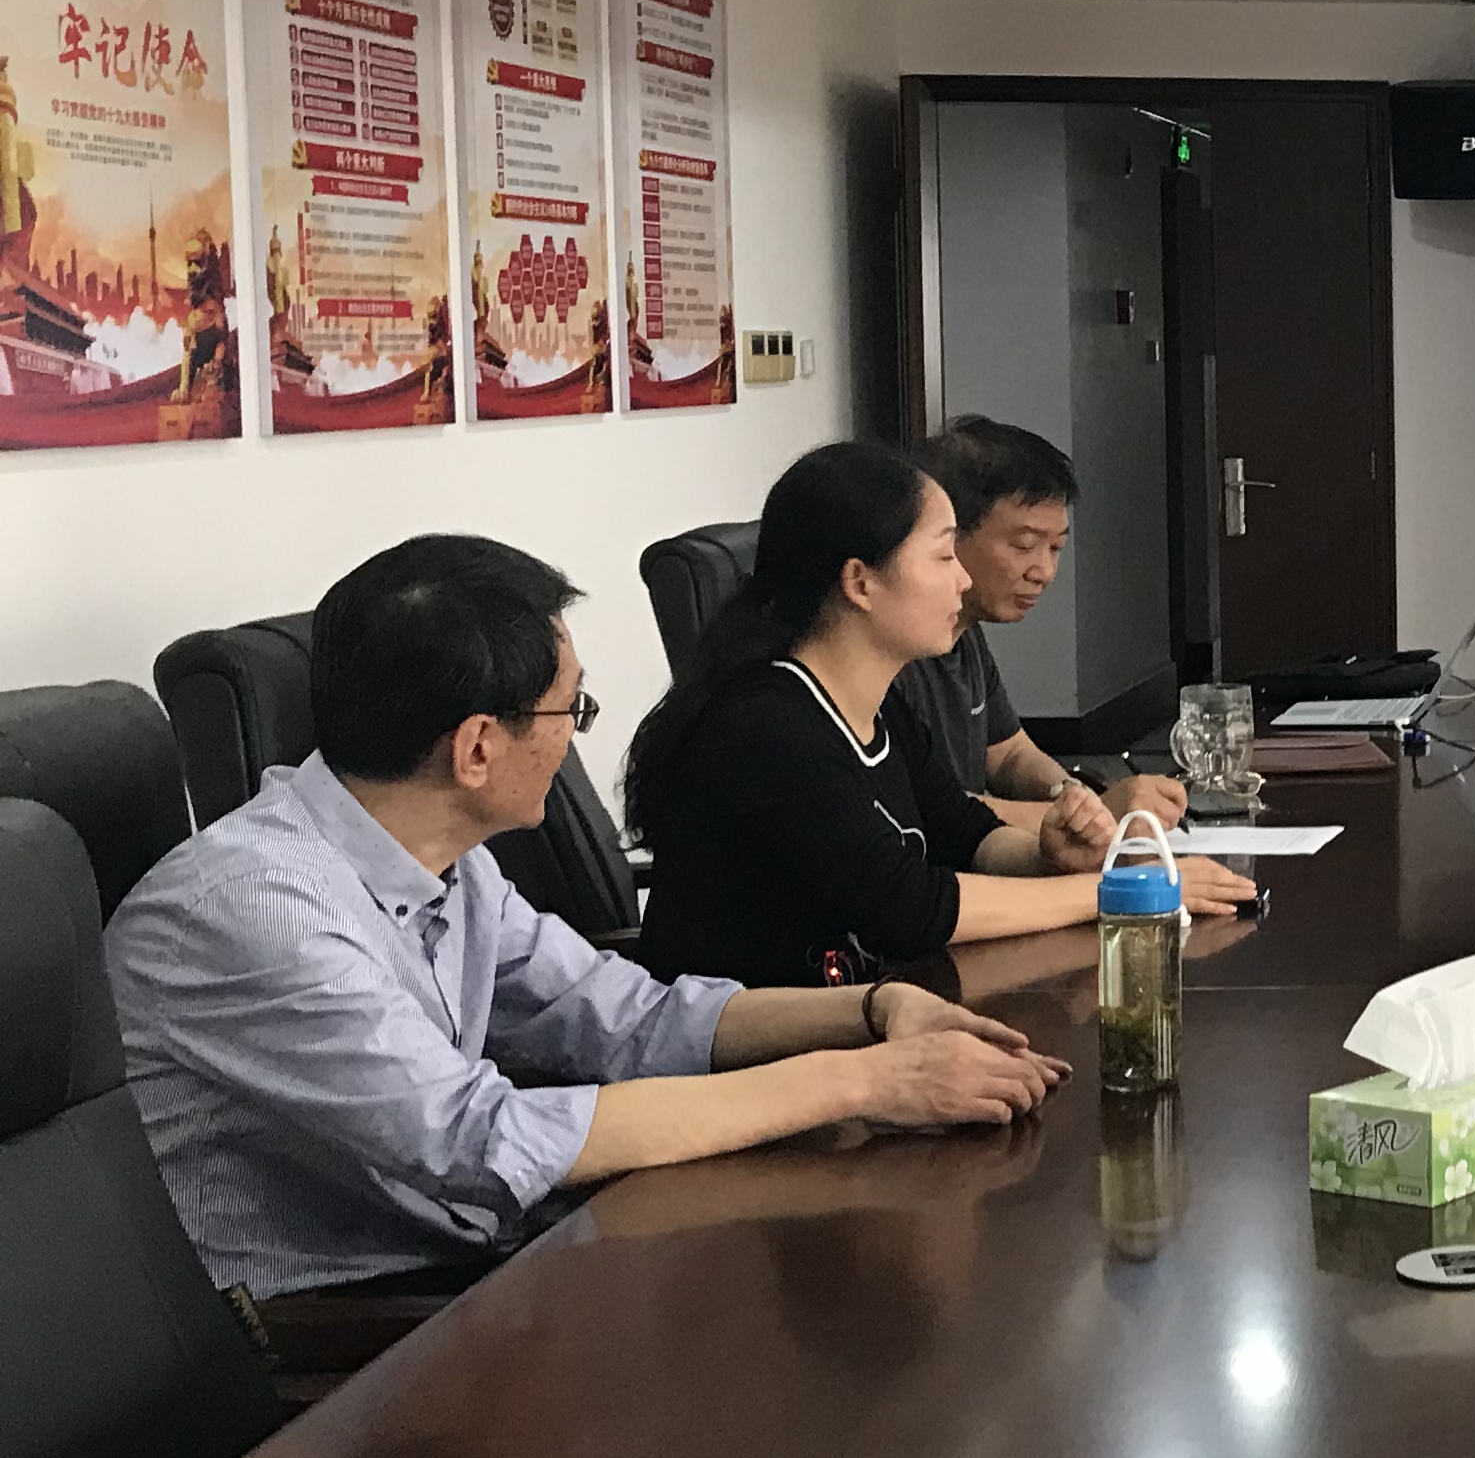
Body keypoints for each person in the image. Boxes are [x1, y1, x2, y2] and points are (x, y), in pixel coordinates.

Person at [106, 535, 1075, 1303]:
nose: (576, 735)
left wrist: (871, 1014)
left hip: (471, 1265)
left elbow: (624, 1017)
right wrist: (862, 1081)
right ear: (477, 748)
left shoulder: (447, 865)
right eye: (572, 712)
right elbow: (477, 1141)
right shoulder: (256, 910)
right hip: (338, 1325)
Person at [629, 441, 1249, 992]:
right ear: (860, 583)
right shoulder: (771, 726)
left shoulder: (880, 709)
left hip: (865, 1019)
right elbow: (908, 907)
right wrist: (1114, 892)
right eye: (944, 556)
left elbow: (965, 833)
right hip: (752, 1053)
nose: (962, 580)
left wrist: (1049, 854)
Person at [900, 414, 1188, 845]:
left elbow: (1009, 754)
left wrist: (1074, 797)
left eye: (1055, 548)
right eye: (1025, 545)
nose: (1044, 572)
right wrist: (1095, 813)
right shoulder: (894, 649)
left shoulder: (964, 631)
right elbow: (932, 811)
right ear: (947, 536)